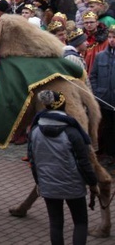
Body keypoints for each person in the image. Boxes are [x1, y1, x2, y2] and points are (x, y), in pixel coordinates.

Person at [28, 90, 98, 245]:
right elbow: (84, 162)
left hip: (48, 185)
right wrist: (93, 183)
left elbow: (33, 161)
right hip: (73, 186)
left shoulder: (35, 131)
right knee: (80, 223)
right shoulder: (73, 132)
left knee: (55, 224)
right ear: (64, 107)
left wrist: (39, 182)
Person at [89, 26, 115, 165]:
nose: (112, 40)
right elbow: (93, 76)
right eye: (110, 37)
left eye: (114, 38)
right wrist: (97, 92)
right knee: (107, 128)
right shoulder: (100, 56)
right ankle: (110, 154)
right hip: (104, 100)